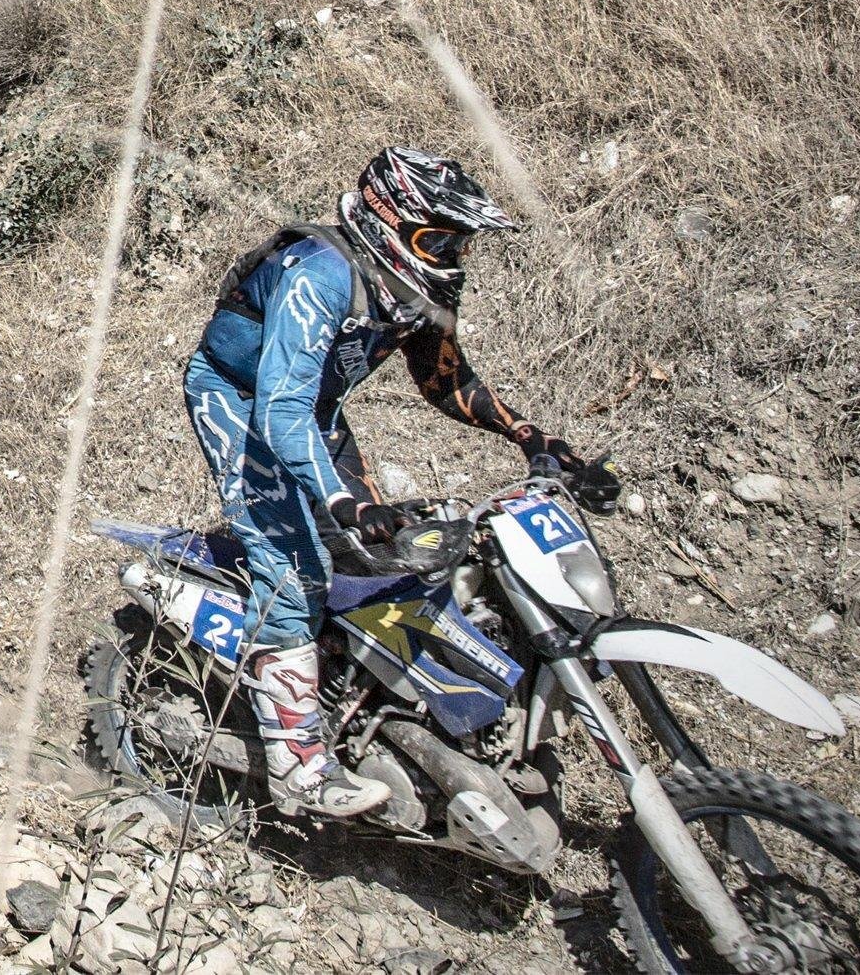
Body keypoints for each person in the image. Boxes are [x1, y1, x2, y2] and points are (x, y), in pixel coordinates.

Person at [183, 146, 616, 818]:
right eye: (440, 241)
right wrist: (343, 499)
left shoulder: (415, 291)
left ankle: (351, 696)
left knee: (383, 557)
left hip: (312, 411)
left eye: (459, 243)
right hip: (238, 402)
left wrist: (534, 438)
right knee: (292, 570)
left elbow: (447, 380)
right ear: (392, 222)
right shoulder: (320, 274)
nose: (453, 256)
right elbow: (279, 410)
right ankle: (298, 771)